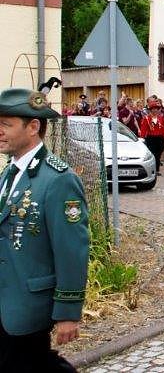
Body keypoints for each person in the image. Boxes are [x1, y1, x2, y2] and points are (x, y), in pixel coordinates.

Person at [0, 88, 89, 372]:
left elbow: (72, 250)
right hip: (6, 300)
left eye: (6, 124)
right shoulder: (9, 173)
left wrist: (68, 312)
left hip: (28, 306)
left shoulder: (58, 180)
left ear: (33, 127)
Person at [139, 100, 164, 175]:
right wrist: (142, 138)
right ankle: (153, 170)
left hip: (160, 138)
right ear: (150, 110)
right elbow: (143, 129)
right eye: (153, 108)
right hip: (151, 139)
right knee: (153, 154)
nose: (155, 110)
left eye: (156, 108)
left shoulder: (161, 118)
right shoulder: (146, 118)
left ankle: (157, 170)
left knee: (158, 155)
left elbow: (163, 128)